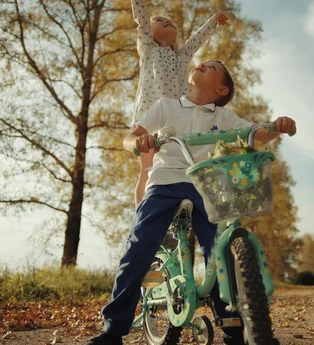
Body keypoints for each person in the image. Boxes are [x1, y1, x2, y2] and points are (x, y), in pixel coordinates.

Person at [87, 60, 295, 344]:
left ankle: (233, 326)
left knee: (218, 249)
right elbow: (130, 136)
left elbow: (257, 132)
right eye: (202, 63)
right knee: (140, 244)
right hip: (165, 182)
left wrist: (278, 126)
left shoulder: (223, 116)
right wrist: (138, 143)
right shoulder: (166, 106)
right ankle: (114, 329)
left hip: (205, 184)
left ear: (220, 88)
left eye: (210, 67)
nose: (201, 64)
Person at [112, 0, 229, 206]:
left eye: (171, 21)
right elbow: (141, 18)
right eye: (160, 21)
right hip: (149, 115)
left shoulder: (182, 55)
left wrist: (213, 21)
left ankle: (179, 215)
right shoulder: (149, 48)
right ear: (150, 32)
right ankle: (141, 214)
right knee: (147, 168)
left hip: (176, 119)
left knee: (179, 167)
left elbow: (197, 39)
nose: (168, 21)